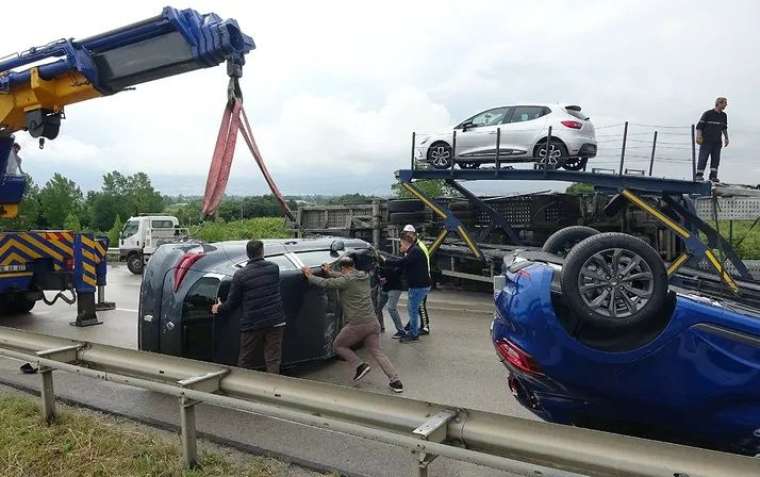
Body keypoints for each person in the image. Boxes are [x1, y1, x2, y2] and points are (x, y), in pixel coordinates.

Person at [303, 255, 404, 393]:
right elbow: (343, 277)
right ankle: (396, 381)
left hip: (357, 323)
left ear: (343, 267)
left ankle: (360, 365)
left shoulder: (346, 280)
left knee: (338, 345)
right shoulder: (364, 276)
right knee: (377, 351)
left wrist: (310, 276)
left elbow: (327, 283)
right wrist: (329, 272)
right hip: (372, 322)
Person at [211, 240, 286, 374]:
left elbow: (232, 303)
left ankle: (243, 387)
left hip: (253, 322)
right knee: (273, 359)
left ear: (247, 254)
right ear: (262, 251)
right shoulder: (274, 268)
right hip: (276, 320)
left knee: (246, 359)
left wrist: (218, 308)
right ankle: (274, 389)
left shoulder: (240, 275)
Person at [388, 234, 431, 343]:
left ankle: (413, 334)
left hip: (419, 286)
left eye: (400, 243)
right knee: (412, 309)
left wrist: (386, 262)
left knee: (413, 310)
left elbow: (402, 262)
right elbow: (404, 265)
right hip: (418, 285)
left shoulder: (414, 251)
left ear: (405, 243)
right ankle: (413, 331)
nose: (399, 246)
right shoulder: (413, 251)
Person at [401, 225, 431, 335]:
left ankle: (425, 326)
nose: (406, 236)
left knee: (420, 304)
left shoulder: (419, 247)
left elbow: (425, 263)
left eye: (408, 234)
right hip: (416, 279)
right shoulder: (411, 246)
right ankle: (412, 323)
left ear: (414, 235)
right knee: (413, 305)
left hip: (422, 280)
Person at [695, 97, 729, 183]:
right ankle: (699, 175)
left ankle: (713, 176)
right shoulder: (708, 113)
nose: (726, 105)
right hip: (706, 141)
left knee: (716, 160)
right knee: (703, 158)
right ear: (719, 103)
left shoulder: (724, 116)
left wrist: (726, 138)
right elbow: (699, 126)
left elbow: (724, 128)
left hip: (717, 142)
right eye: (725, 103)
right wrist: (698, 136)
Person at [375, 257, 406, 339]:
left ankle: (401, 331)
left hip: (394, 289)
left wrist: (380, 280)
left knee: (391, 308)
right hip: (385, 289)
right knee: (377, 308)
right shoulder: (381, 268)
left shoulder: (387, 269)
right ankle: (380, 327)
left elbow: (384, 280)